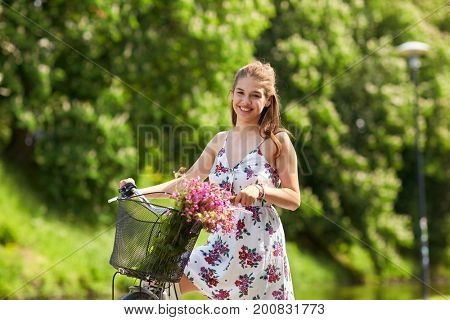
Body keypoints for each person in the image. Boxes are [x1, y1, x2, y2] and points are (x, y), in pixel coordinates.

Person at [120, 60, 300, 300]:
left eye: (255, 95)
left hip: (258, 249)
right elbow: (187, 183)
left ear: (268, 100)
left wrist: (260, 190)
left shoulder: (277, 142)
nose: (245, 102)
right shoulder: (220, 141)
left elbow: (293, 198)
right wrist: (139, 192)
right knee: (160, 281)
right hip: (220, 245)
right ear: (232, 94)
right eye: (240, 93)